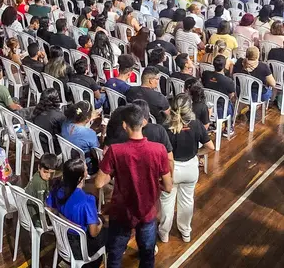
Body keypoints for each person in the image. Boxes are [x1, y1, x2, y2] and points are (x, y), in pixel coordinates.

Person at [95, 103, 172, 268]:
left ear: (124, 125)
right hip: (148, 211)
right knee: (147, 256)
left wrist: (116, 171)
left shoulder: (116, 151)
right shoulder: (158, 150)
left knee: (115, 255)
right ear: (144, 122)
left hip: (122, 211)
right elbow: (168, 186)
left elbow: (99, 182)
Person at [158, 93, 214, 243]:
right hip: (190, 168)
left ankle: (164, 234)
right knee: (187, 201)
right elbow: (210, 147)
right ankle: (185, 232)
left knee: (166, 202)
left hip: (171, 169)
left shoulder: (165, 127)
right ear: (190, 108)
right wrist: (198, 153)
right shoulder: (196, 124)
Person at [47, 158, 106, 268]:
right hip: (80, 248)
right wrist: (101, 224)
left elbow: (49, 208)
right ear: (80, 178)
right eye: (86, 170)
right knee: (107, 231)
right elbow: (93, 232)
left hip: (62, 241)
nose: (87, 172)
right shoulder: (87, 201)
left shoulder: (56, 188)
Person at [61, 101, 101, 174]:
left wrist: (89, 118)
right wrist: (103, 133)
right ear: (87, 119)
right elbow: (96, 155)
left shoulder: (65, 123)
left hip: (68, 160)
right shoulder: (90, 134)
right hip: (84, 167)